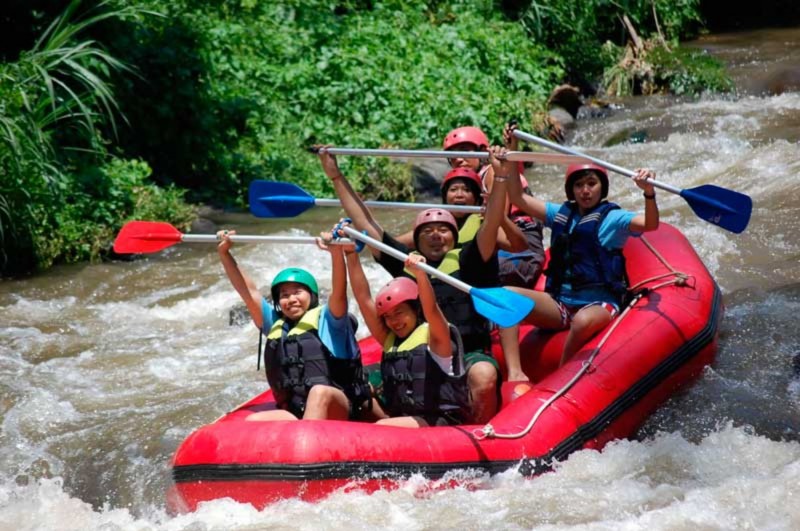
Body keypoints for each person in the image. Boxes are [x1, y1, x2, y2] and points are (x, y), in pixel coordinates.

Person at [316, 146, 513, 424]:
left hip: (467, 352)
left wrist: (501, 177)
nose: (435, 236)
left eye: (443, 230)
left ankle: (479, 432)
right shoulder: (405, 264)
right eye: (427, 232)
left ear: (454, 237)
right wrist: (335, 176)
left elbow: (491, 222)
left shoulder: (471, 261)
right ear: (416, 240)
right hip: (418, 352)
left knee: (483, 375)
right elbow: (366, 224)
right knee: (357, 384)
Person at [501, 160, 660, 366]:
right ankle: (515, 372)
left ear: (602, 187)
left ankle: (562, 373)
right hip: (561, 303)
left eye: (591, 183)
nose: (585, 191)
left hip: (600, 302)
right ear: (571, 189)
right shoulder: (560, 214)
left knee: (582, 321)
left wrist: (648, 192)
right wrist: (512, 155)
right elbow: (518, 197)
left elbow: (651, 224)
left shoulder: (613, 218)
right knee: (506, 296)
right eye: (579, 185)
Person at [216, 229, 370, 421]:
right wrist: (225, 253)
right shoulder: (275, 325)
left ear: (312, 296)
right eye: (284, 295)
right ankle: (302, 436)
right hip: (296, 413)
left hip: (338, 407)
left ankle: (307, 442)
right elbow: (249, 292)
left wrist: (335, 252)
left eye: (297, 292)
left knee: (319, 392)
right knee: (253, 422)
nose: (291, 299)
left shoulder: (330, 321)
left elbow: (339, 290)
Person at [343, 241, 470, 427]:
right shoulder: (390, 340)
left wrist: (420, 274)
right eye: (388, 316)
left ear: (415, 310)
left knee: (380, 428)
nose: (394, 321)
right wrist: (350, 254)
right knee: (357, 397)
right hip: (405, 418)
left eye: (399, 313)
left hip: (440, 421)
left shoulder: (435, 337)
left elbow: (432, 309)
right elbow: (363, 298)